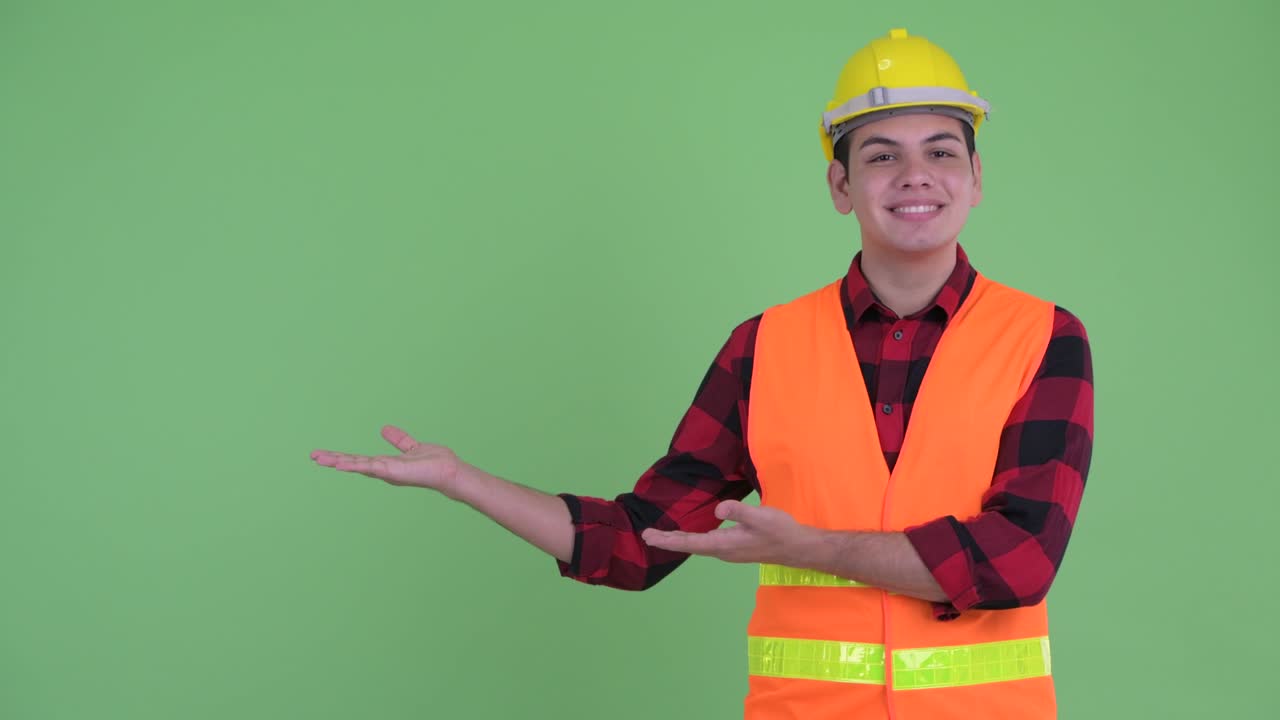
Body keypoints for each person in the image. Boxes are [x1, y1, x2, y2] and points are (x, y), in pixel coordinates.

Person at [311, 27, 1093, 720]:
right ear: (840, 186)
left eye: (941, 152)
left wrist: (813, 548)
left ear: (976, 178)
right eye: (881, 155)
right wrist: (463, 480)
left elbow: (1017, 561)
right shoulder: (765, 347)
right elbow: (638, 543)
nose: (914, 175)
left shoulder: (1042, 338)